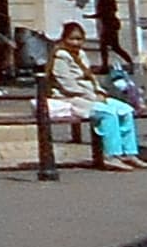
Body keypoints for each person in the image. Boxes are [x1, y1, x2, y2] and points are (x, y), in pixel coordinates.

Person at [45, 25, 139, 169]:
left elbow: (91, 78)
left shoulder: (81, 55)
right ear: (64, 39)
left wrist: (100, 92)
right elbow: (68, 86)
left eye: (79, 39)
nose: (76, 43)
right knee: (107, 114)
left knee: (125, 110)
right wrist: (93, 97)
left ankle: (129, 152)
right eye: (72, 39)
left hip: (91, 95)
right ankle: (111, 155)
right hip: (70, 98)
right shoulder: (60, 57)